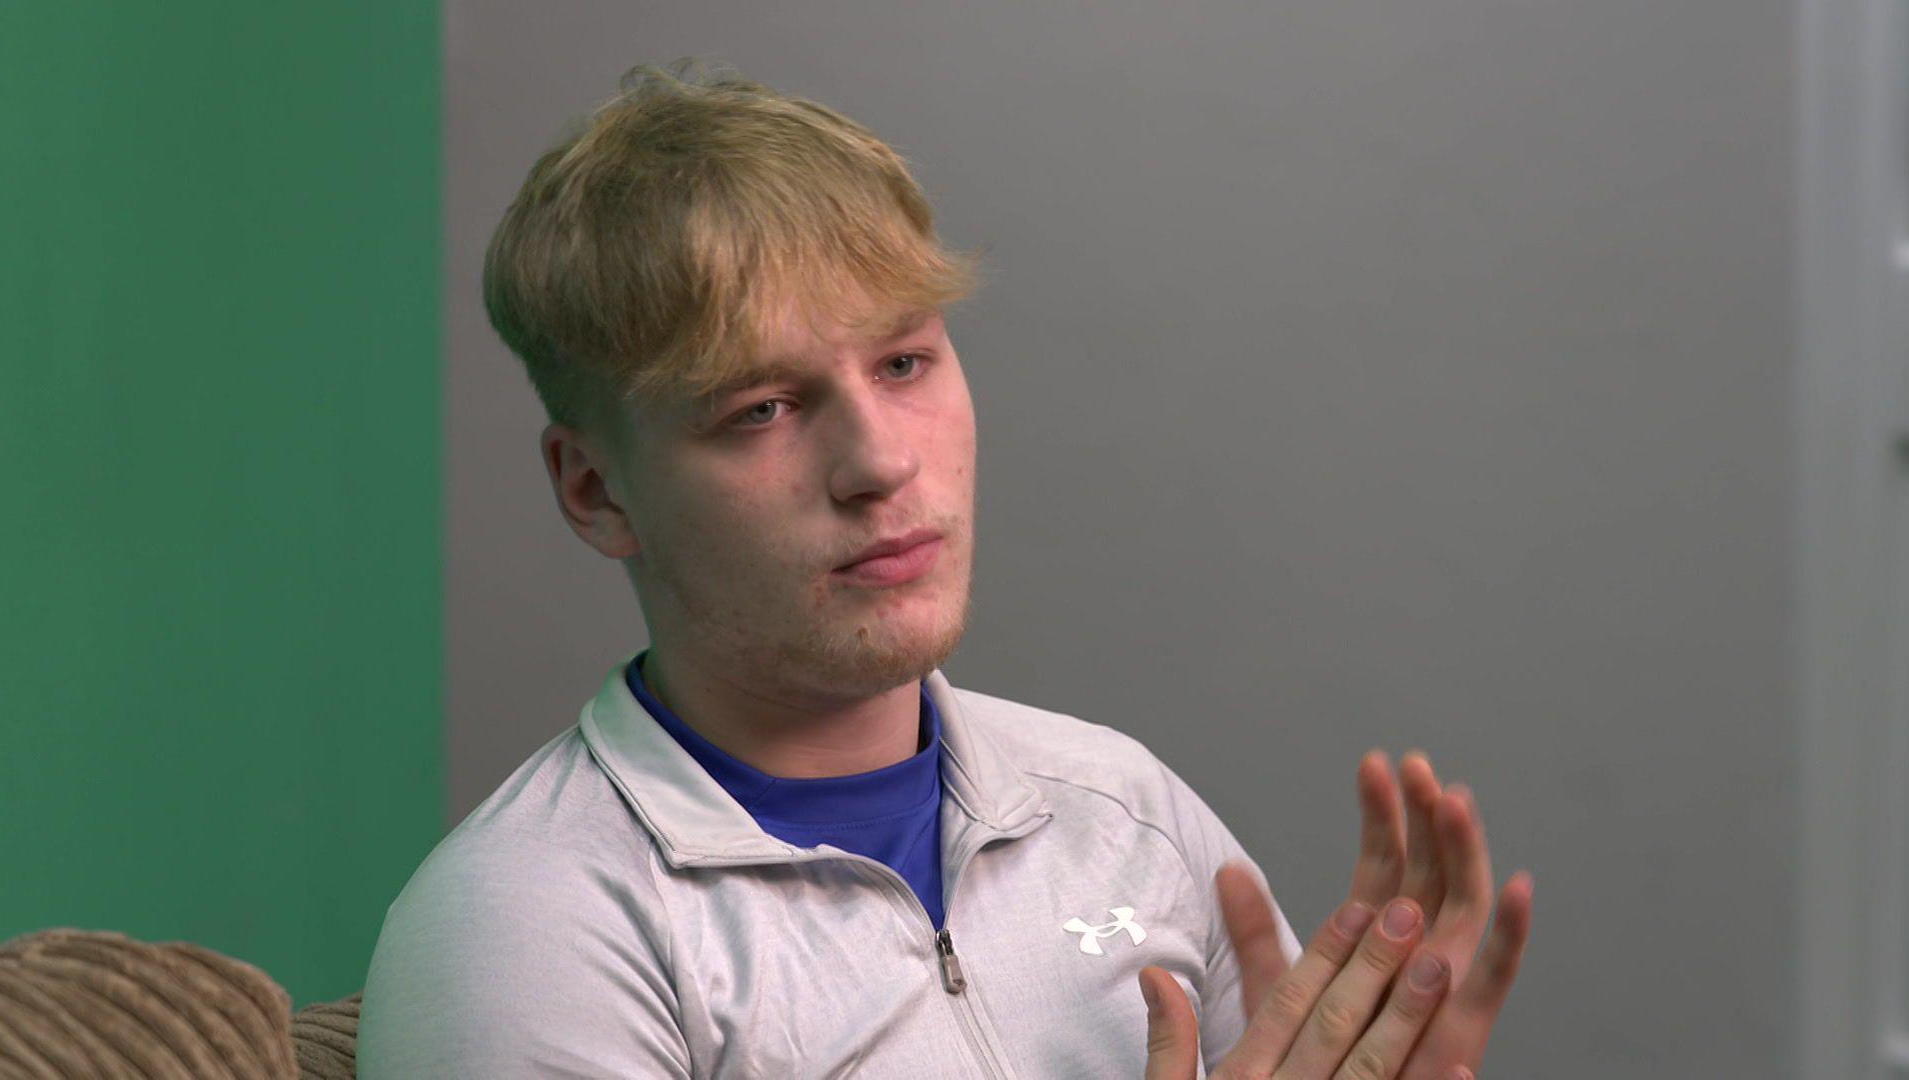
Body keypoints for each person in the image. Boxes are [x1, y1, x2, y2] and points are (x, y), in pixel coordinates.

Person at [355, 58, 1533, 1079]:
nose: (880, 461)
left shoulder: (1125, 813)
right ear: (595, 489)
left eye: (905, 363)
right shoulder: (528, 929)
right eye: (760, 408)